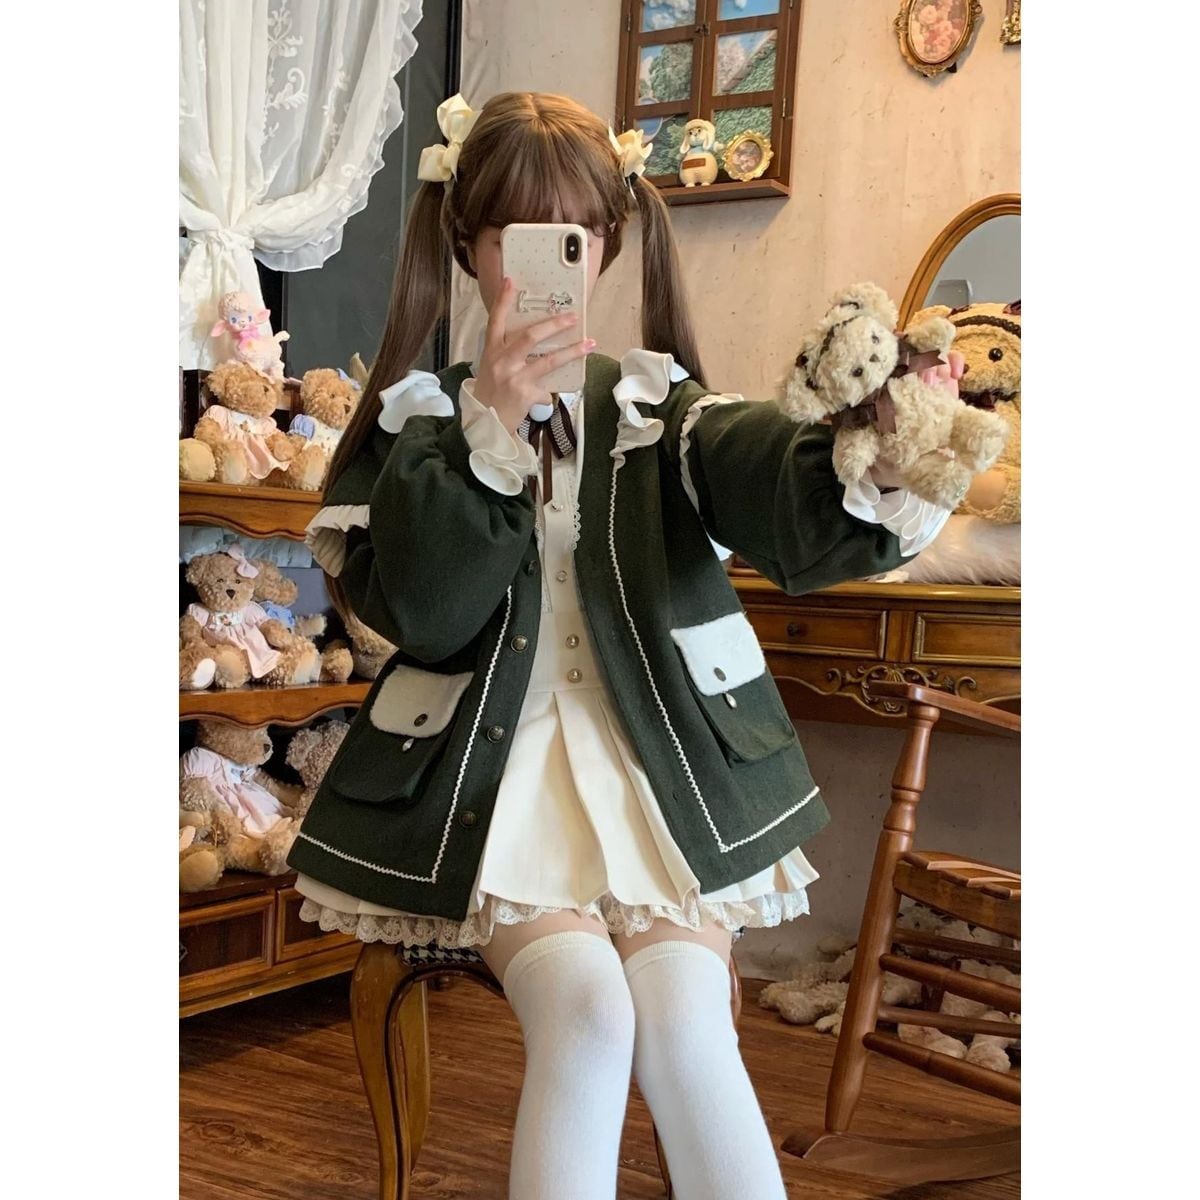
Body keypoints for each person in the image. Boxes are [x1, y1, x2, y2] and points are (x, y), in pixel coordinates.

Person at [287, 90, 959, 1200]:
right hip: (489, 776)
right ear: (468, 244)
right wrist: (490, 428)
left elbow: (759, 469)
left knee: (689, 1024)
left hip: (658, 771)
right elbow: (428, 612)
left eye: (576, 234)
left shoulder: (659, 404)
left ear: (604, 242)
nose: (550, 259)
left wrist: (870, 456)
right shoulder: (421, 420)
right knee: (590, 1011)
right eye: (516, 234)